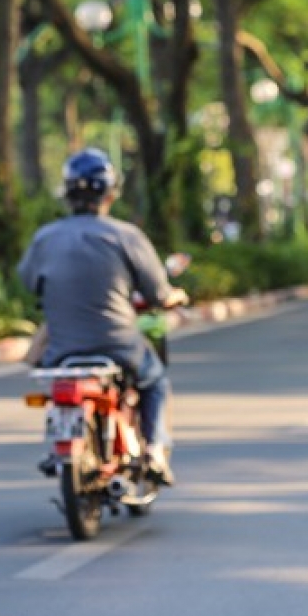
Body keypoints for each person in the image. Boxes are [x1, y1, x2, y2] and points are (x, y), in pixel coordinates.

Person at [17, 147, 188, 485]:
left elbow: (29, 282)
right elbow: (157, 293)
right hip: (119, 346)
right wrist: (175, 297)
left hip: (62, 351)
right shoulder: (125, 235)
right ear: (109, 192)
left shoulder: (44, 238)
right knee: (154, 381)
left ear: (67, 193)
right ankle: (154, 449)